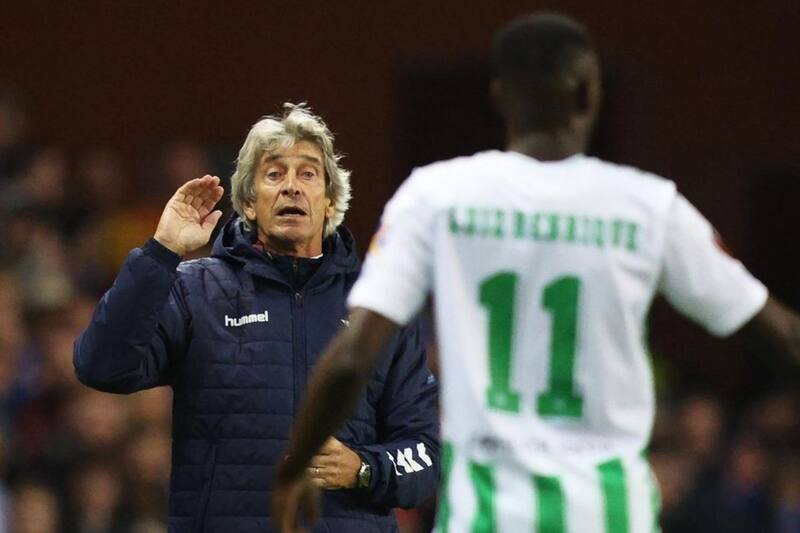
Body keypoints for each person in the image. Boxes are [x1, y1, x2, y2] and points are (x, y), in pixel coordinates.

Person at [273, 13, 800, 533]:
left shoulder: (436, 197)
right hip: (612, 516)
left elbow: (353, 356)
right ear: (590, 95)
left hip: (486, 515)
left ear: (500, 97)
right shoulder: (648, 207)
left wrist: (295, 467)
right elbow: (782, 335)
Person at [73, 103, 440, 532]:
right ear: (248, 202)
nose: (291, 187)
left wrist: (364, 467)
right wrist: (161, 252)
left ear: (330, 202)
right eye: (273, 174)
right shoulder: (196, 290)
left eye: (307, 173)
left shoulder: (379, 304)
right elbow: (101, 366)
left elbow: (425, 456)